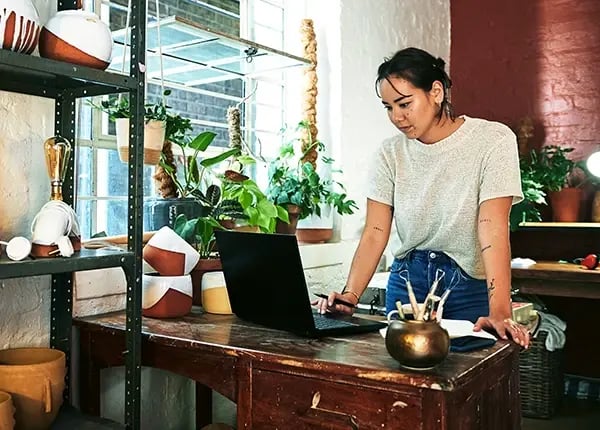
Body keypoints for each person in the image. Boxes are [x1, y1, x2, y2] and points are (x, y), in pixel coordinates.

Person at [314, 47, 530, 348]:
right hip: (406, 284)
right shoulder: (389, 154)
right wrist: (350, 296)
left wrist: (500, 311)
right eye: (388, 107)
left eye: (404, 104)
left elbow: (492, 226)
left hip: (467, 285)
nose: (397, 117)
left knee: (469, 383)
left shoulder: (493, 140)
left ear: (436, 92)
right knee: (407, 386)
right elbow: (375, 232)